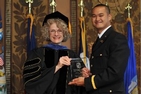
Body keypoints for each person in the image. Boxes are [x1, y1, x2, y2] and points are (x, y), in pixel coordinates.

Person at [69, 4, 130, 94]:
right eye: (94, 16)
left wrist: (87, 82)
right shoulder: (99, 41)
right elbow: (103, 67)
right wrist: (90, 73)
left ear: (109, 17)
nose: (97, 19)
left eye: (101, 15)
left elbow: (115, 72)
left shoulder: (117, 39)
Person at [23, 11, 86, 94]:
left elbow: (78, 83)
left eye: (59, 30)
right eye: (52, 30)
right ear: (47, 32)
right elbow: (31, 82)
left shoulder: (72, 55)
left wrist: (84, 75)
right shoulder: (37, 54)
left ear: (64, 33)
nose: (56, 34)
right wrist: (57, 66)